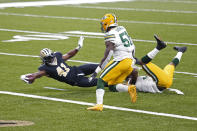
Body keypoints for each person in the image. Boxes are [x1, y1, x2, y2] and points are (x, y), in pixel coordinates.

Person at [87, 13, 138, 111]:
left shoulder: (109, 34)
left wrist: (96, 71)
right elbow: (133, 45)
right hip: (130, 61)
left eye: (103, 24)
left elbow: (108, 55)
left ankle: (99, 105)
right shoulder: (122, 28)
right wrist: (132, 61)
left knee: (101, 81)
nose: (102, 26)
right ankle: (129, 88)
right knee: (111, 86)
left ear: (107, 23)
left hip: (121, 61)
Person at [20, 36, 100, 87]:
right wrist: (30, 77)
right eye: (48, 58)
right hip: (76, 80)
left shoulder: (57, 56)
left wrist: (78, 48)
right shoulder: (45, 69)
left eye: (51, 57)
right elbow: (38, 74)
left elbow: (69, 55)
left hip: (77, 70)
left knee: (101, 65)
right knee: (102, 81)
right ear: (44, 59)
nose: (51, 59)